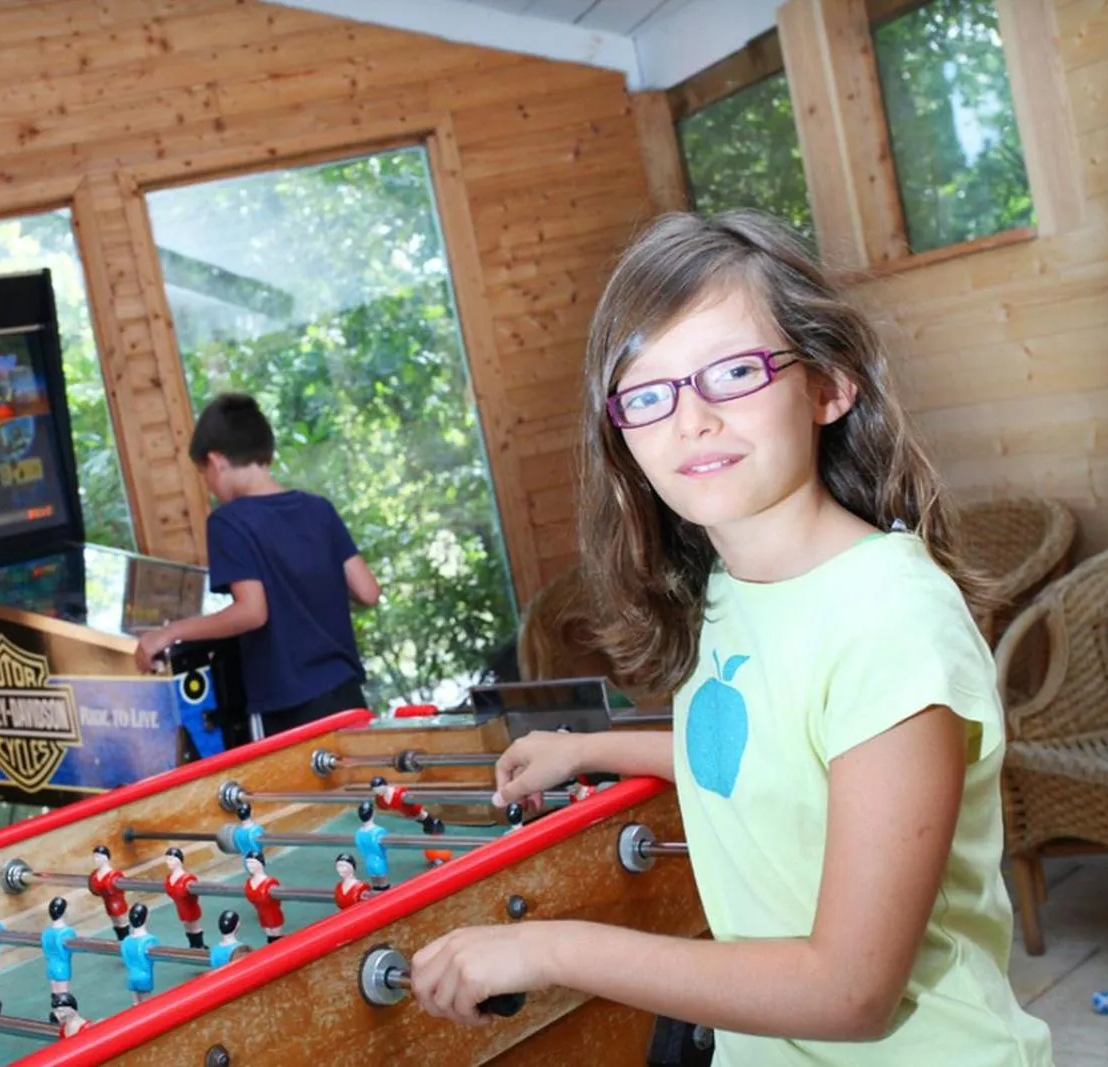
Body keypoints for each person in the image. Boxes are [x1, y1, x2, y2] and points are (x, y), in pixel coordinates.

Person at [409, 211, 1055, 1066]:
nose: (692, 419)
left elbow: (848, 990)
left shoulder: (890, 619)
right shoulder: (732, 583)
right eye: (649, 392)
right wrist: (587, 745)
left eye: (734, 372)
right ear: (624, 434)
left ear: (829, 385)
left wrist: (550, 948)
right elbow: (769, 751)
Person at [133, 393, 381, 735]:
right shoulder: (318, 509)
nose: (209, 484)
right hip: (346, 695)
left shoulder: (229, 521)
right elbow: (367, 591)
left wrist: (168, 632)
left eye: (203, 473)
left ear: (217, 460)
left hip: (289, 709)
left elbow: (252, 612)